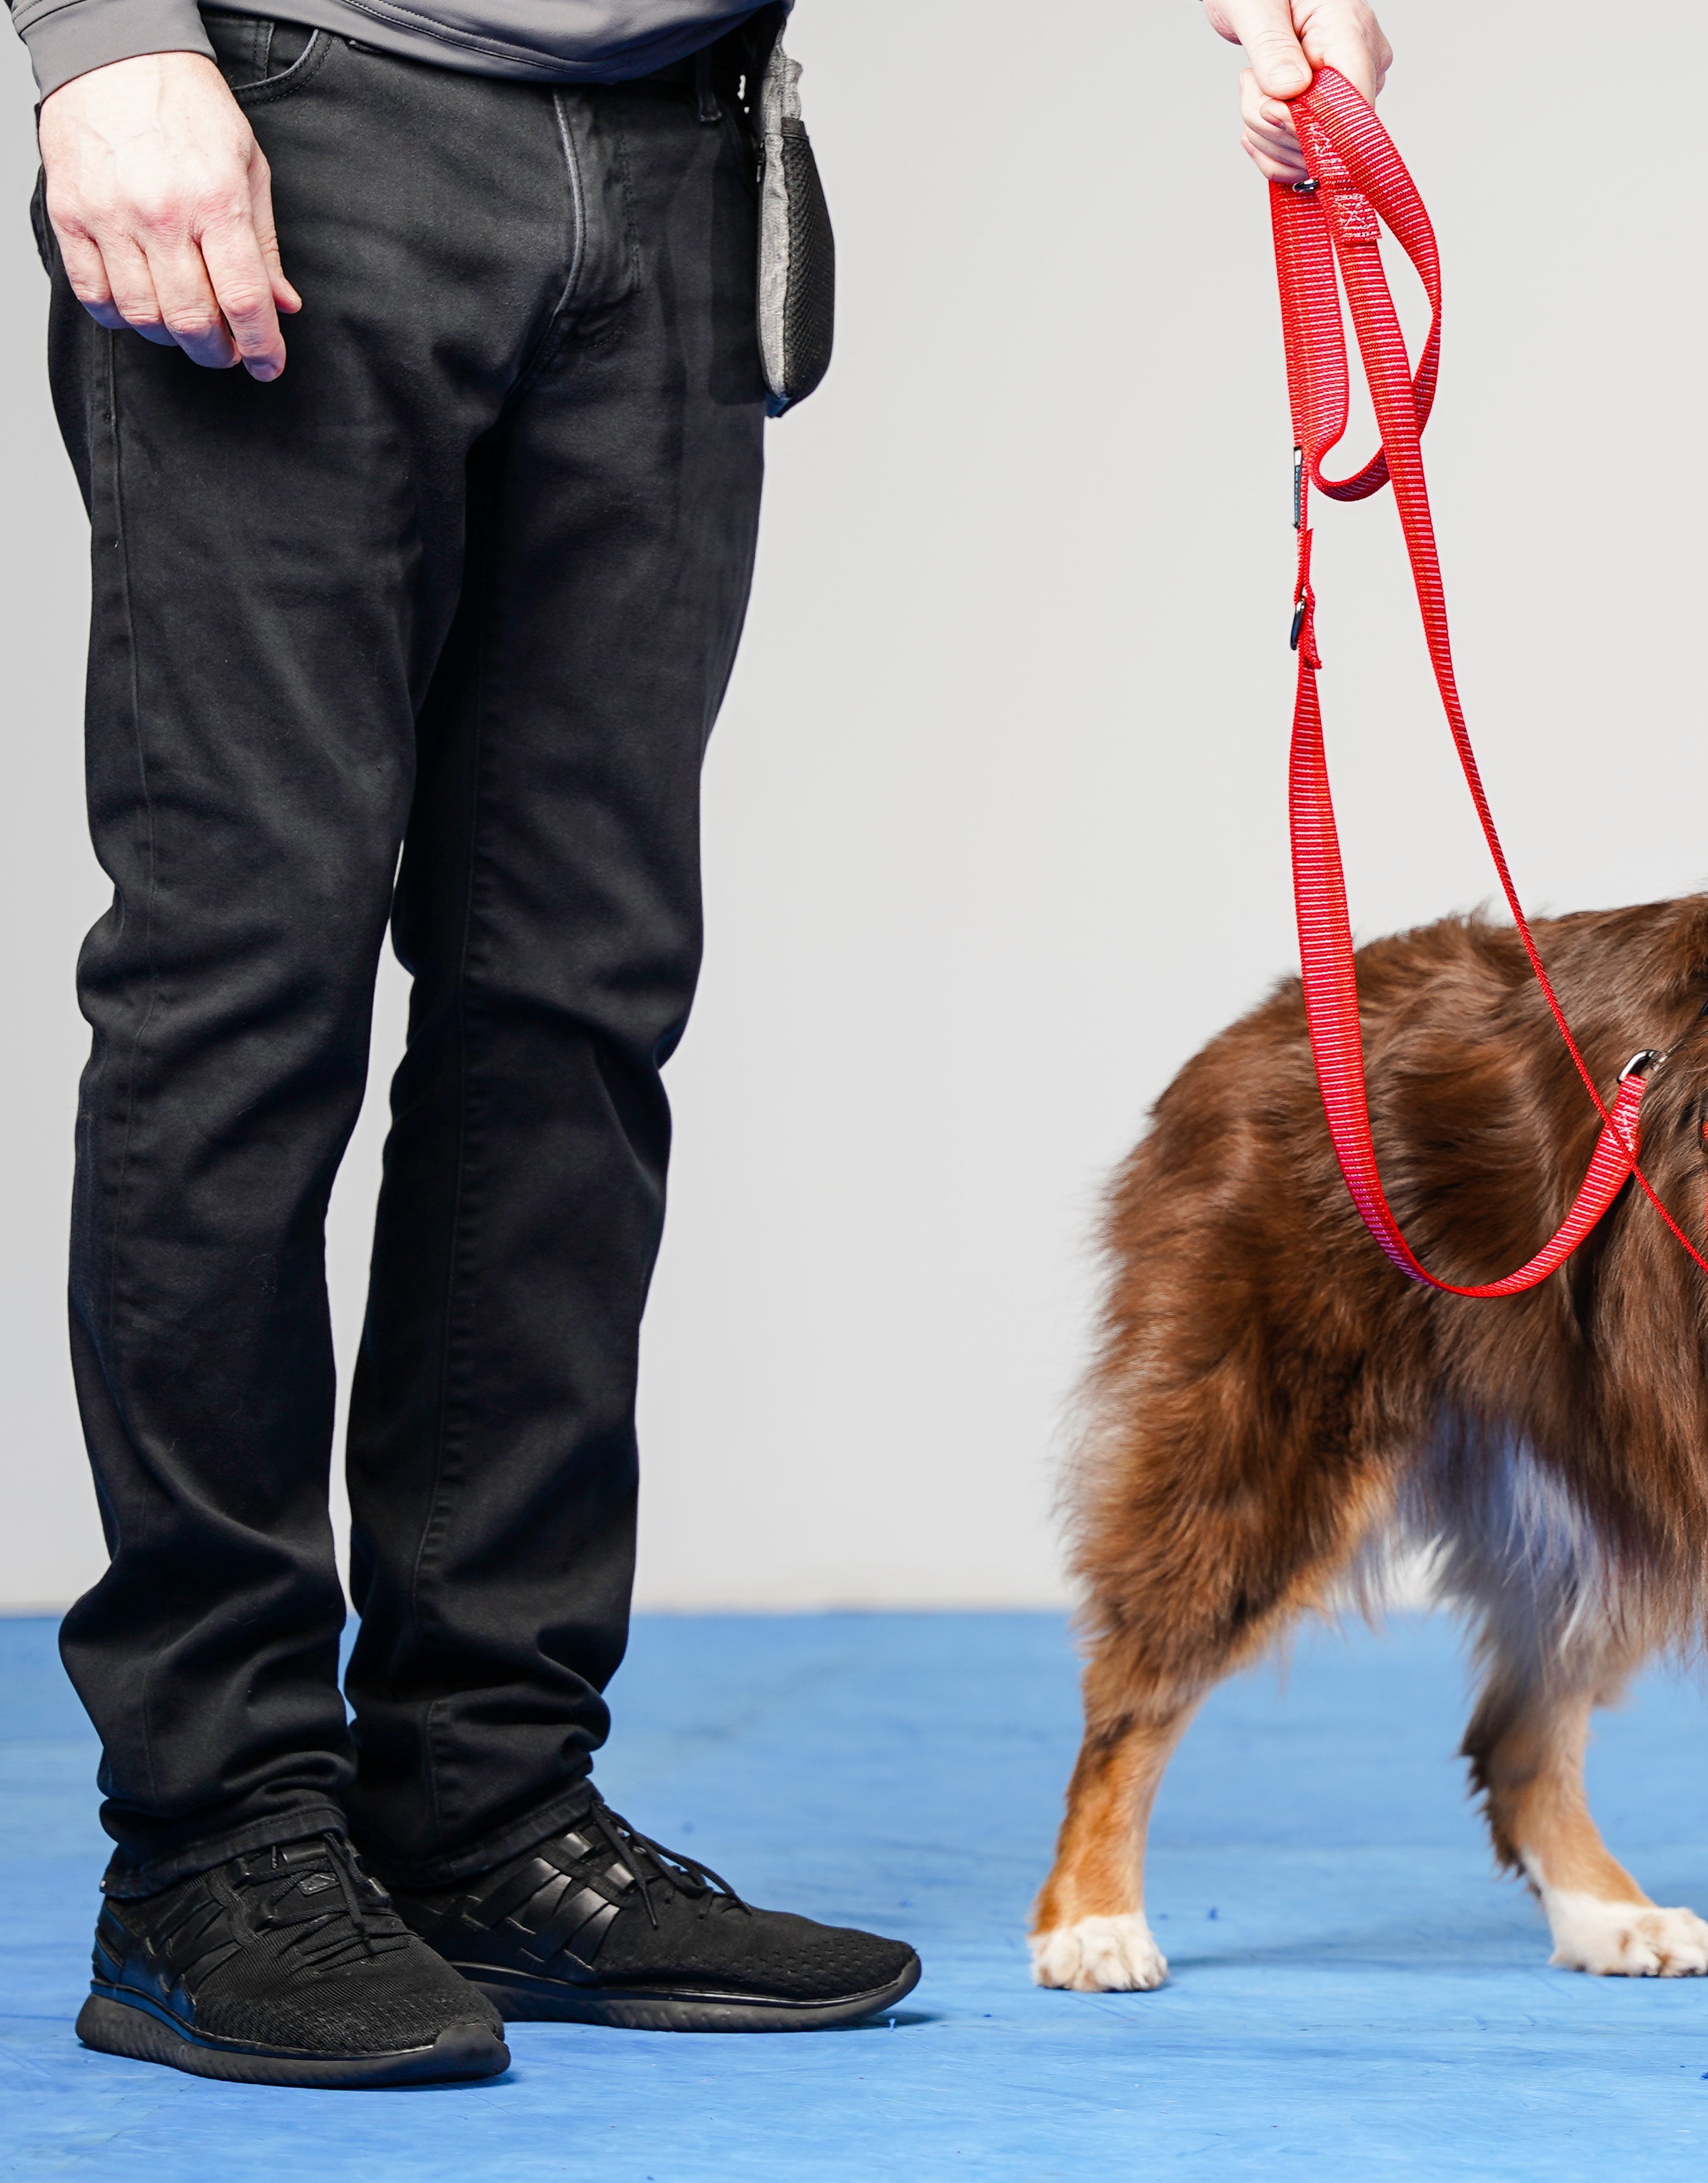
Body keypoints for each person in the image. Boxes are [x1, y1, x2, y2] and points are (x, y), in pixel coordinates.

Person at [19, 0, 1389, 2090]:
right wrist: (99, 34)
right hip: (301, 112)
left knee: (571, 1008)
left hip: (673, 161)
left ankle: (484, 1804)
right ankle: (213, 1838)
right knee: (244, 994)